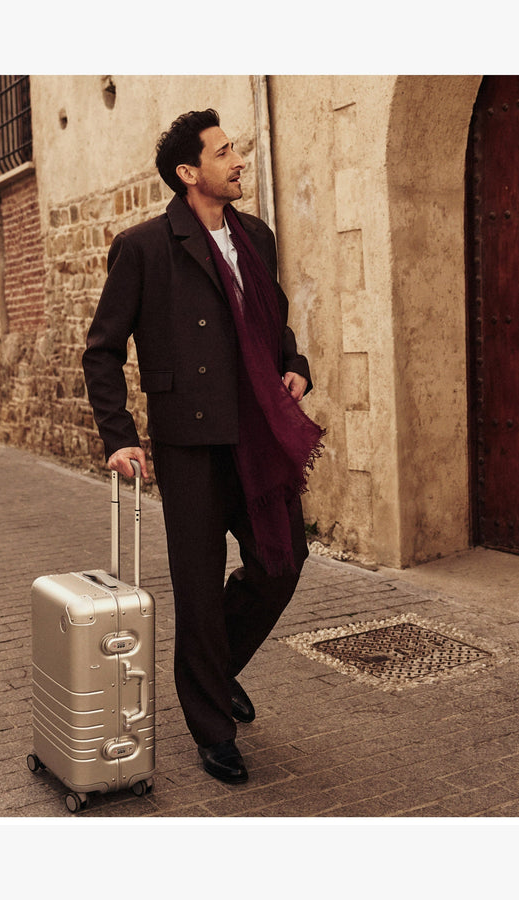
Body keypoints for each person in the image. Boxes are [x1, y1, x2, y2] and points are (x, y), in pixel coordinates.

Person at [83, 109, 323, 784]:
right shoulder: (144, 247)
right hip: (189, 442)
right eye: (223, 152)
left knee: (282, 562)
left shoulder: (256, 236)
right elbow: (101, 353)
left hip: (257, 431)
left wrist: (296, 363)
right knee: (196, 586)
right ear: (190, 174)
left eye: (235, 148)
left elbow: (271, 319)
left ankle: (212, 671)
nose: (238, 158)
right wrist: (120, 437)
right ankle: (213, 726)